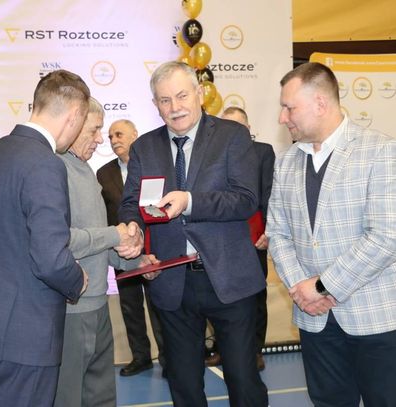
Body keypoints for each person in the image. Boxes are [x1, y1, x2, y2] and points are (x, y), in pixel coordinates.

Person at [119, 61, 268, 406]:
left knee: (244, 382)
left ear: (200, 93)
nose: (175, 107)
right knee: (184, 386)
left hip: (230, 279)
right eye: (165, 100)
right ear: (155, 104)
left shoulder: (232, 136)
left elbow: (246, 199)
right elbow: (130, 204)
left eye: (182, 96)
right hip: (172, 283)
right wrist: (133, 229)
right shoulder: (144, 148)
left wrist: (190, 201)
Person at [266, 61, 396, 406]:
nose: (282, 117)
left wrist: (323, 286)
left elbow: (386, 237)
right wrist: (302, 290)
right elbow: (277, 233)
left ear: (320, 103)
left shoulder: (380, 151)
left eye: (289, 107)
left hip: (376, 319)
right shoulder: (285, 162)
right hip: (315, 321)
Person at [0, 70, 90, 407]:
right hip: (24, 335)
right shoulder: (45, 163)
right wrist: (77, 279)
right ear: (74, 114)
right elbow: (50, 259)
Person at [54, 98, 147, 407]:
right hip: (71, 309)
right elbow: (58, 239)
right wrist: (115, 234)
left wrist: (136, 261)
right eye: (94, 131)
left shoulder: (85, 170)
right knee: (69, 397)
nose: (99, 140)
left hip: (97, 302)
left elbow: (97, 243)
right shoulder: (54, 170)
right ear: (73, 124)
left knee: (101, 395)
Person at [206, 107, 275, 371]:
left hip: (254, 236)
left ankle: (255, 350)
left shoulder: (263, 152)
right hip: (221, 238)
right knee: (221, 294)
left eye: (237, 126)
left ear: (248, 128)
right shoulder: (213, 154)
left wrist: (268, 231)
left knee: (256, 296)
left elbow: (268, 193)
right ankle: (223, 349)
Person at [97, 119, 165, 377]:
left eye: (119, 134)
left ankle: (168, 358)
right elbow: (104, 214)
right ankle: (141, 357)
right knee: (130, 306)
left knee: (159, 304)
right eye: (111, 136)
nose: (114, 140)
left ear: (135, 135)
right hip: (122, 252)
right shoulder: (103, 173)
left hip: (154, 247)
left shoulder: (153, 165)